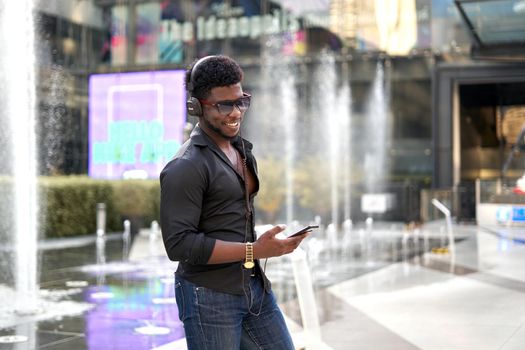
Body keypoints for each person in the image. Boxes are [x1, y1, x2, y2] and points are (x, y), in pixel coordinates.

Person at [160, 55, 308, 350]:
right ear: (196, 106)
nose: (235, 112)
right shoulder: (185, 166)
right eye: (224, 105)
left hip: (253, 287)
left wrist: (266, 245)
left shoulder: (241, 149)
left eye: (241, 101)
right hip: (209, 296)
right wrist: (255, 249)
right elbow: (179, 245)